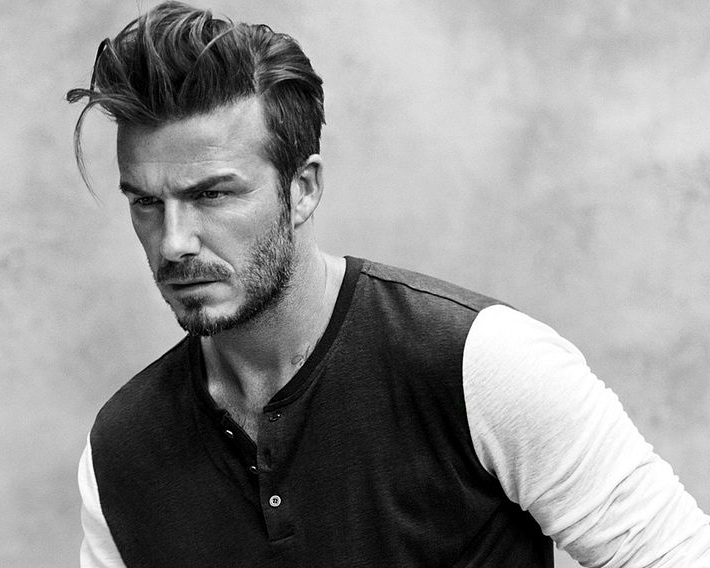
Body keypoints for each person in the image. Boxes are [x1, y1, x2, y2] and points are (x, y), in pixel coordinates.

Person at [66, 2, 710, 567]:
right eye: (146, 202)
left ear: (302, 189)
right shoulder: (121, 451)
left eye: (212, 194)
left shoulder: (482, 365)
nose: (173, 242)